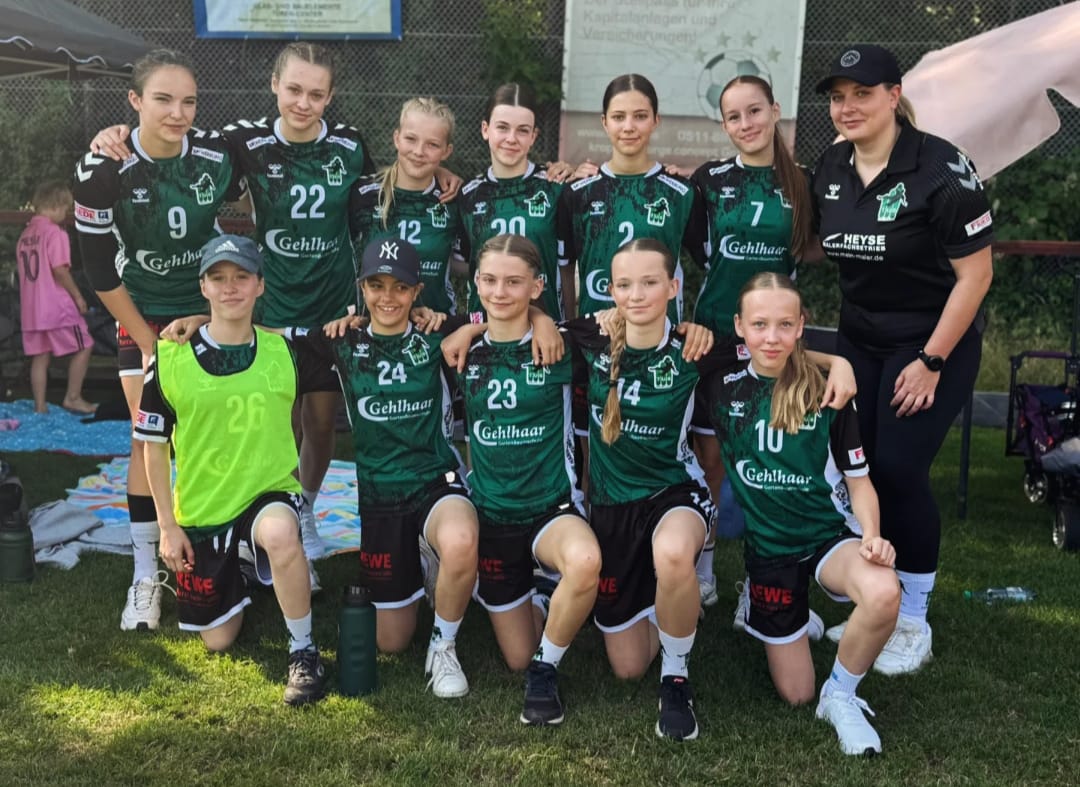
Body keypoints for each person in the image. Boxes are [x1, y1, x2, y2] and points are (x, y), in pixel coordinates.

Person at [811, 44, 994, 674]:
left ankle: (912, 618)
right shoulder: (831, 166)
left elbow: (976, 277)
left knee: (898, 467)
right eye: (838, 97)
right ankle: (876, 602)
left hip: (932, 342)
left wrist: (932, 360)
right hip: (860, 340)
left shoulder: (941, 168)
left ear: (894, 96)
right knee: (857, 467)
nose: (848, 107)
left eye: (862, 93)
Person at [74, 49, 244, 632]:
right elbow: (99, 270)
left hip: (207, 309)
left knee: (218, 432)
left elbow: (281, 146)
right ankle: (146, 571)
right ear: (135, 100)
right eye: (163, 99)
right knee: (148, 437)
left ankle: (226, 547)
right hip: (141, 311)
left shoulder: (218, 153)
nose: (178, 113)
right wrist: (148, 342)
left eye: (188, 101)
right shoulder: (102, 169)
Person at [704, 272, 900, 756]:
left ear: (801, 326)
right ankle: (766, 604)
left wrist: (872, 535)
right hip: (769, 551)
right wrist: (839, 357)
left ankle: (841, 696)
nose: (771, 337)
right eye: (759, 324)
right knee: (795, 693)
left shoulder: (828, 392)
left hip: (828, 536)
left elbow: (859, 480)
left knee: (882, 591)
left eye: (784, 325)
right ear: (740, 326)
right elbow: (655, 340)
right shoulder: (719, 383)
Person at [134, 234, 326, 707]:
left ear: (260, 285)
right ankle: (245, 566)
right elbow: (153, 449)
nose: (230, 287)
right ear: (203, 287)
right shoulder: (169, 356)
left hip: (268, 492)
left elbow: (365, 329)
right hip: (205, 508)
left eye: (242, 276)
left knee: (281, 533)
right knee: (219, 640)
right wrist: (167, 527)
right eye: (218, 278)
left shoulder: (287, 350)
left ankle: (303, 650)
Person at [294, 238, 479, 698]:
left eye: (400, 287)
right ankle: (423, 557)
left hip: (435, 480)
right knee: (390, 641)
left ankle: (444, 646)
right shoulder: (342, 340)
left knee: (461, 539)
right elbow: (263, 334)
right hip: (379, 497)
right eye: (376, 286)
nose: (388, 297)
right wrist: (200, 321)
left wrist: (470, 329)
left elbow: (508, 315)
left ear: (417, 292)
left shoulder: (437, 331)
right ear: (362, 288)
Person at [559, 238, 726, 742]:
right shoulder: (591, 336)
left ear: (673, 287)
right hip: (613, 510)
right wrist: (471, 330)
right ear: (610, 290)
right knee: (628, 668)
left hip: (673, 493)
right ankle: (674, 600)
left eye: (650, 282)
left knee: (673, 553)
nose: (636, 295)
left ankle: (676, 678)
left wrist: (839, 365)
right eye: (625, 284)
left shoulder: (694, 347)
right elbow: (518, 324)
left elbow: (774, 350)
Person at [443, 234, 600, 726]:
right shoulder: (458, 346)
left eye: (514, 282)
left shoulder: (561, 344)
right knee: (514, 655)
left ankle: (545, 671)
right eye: (489, 280)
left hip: (552, 508)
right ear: (475, 284)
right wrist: (469, 328)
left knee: (586, 563)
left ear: (537, 286)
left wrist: (543, 320)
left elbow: (630, 321)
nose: (499, 291)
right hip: (493, 518)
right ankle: (542, 597)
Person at [688, 75, 817, 622]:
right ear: (724, 124)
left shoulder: (804, 182)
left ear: (775, 111)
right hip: (717, 334)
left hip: (773, 337)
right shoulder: (709, 180)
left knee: (771, 459)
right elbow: (695, 250)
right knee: (711, 459)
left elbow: (813, 247)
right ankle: (704, 571)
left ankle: (763, 581)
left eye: (755, 111)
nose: (746, 124)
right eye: (734, 116)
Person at [557, 74, 706, 322]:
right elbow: (564, 267)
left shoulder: (680, 193)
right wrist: (571, 327)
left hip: (659, 335)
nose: (628, 127)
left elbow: (711, 264)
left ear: (656, 120)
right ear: (604, 122)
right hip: (594, 334)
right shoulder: (577, 192)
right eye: (618, 117)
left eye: (640, 116)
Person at [456, 83, 570, 320]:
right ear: (485, 129)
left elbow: (566, 265)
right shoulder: (468, 194)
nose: (511, 138)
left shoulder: (556, 188)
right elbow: (462, 261)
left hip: (544, 327)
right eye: (502, 127)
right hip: (484, 327)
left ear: (533, 136)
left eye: (522, 130)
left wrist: (569, 324)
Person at [349, 98, 461, 314]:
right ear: (396, 138)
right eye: (411, 139)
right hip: (375, 324)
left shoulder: (454, 200)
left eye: (432, 145)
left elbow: (469, 261)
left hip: (436, 325)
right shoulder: (363, 194)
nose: (419, 151)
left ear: (446, 151)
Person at [16, 181, 97, 416]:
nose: (65, 214)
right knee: (85, 344)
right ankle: (73, 397)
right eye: (65, 209)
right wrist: (78, 296)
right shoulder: (55, 233)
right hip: (56, 307)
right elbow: (59, 270)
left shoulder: (25, 235)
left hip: (32, 310)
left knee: (40, 357)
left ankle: (40, 407)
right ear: (55, 205)